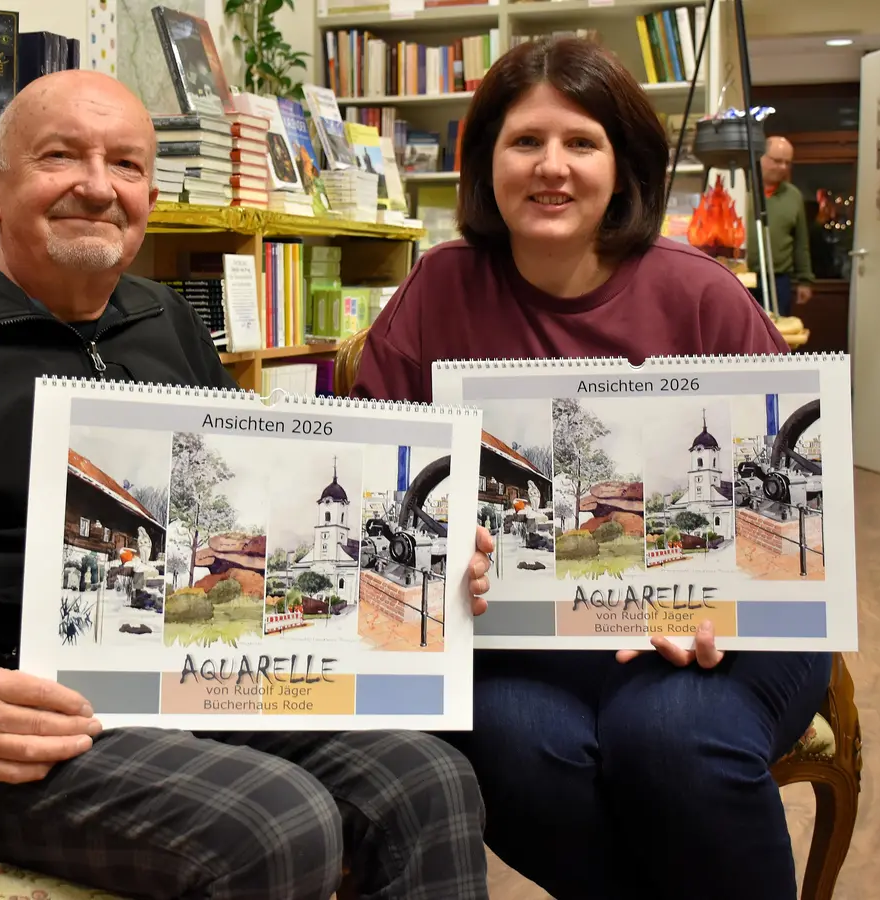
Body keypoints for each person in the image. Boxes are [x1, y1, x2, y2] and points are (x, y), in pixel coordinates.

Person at [0, 69, 495, 900]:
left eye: (126, 165)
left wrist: (426, 558)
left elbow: (243, 512)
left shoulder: (165, 323)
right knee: (276, 820)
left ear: (150, 194)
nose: (98, 187)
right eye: (61, 157)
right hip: (2, 732)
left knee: (429, 779)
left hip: (181, 688)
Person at [350, 38, 832, 900]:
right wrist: (441, 551)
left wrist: (728, 596)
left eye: (581, 142)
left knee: (672, 735)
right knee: (513, 744)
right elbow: (382, 499)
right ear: (485, 162)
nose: (552, 168)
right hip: (518, 639)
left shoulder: (701, 293)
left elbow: (806, 488)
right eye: (524, 142)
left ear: (624, 164)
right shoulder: (437, 289)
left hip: (732, 628)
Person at [744, 135, 815, 317]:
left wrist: (804, 280)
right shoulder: (742, 190)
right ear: (760, 157)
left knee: (774, 338)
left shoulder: (793, 196)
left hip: (779, 280)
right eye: (777, 161)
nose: (783, 167)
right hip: (742, 277)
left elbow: (801, 242)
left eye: (787, 163)